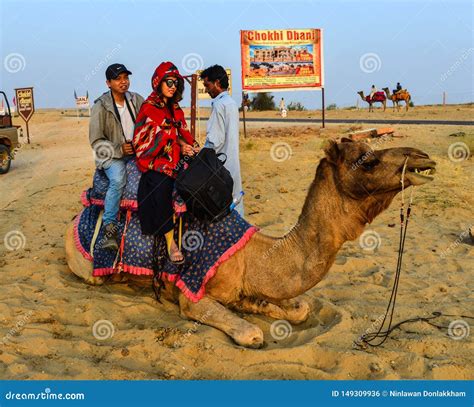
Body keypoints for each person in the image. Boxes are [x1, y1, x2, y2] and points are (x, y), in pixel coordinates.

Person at [133, 61, 199, 264]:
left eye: (176, 83)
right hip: (155, 159)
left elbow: (180, 132)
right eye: (168, 82)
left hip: (177, 156)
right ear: (158, 82)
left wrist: (189, 146)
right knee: (160, 188)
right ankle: (171, 242)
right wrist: (178, 142)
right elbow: (145, 139)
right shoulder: (149, 107)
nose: (172, 86)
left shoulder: (175, 108)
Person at [89, 63, 144, 251]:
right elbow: (96, 142)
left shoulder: (136, 100)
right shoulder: (100, 106)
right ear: (108, 83)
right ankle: (109, 229)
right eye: (118, 79)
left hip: (136, 152)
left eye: (125, 78)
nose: (123, 82)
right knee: (119, 180)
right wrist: (120, 149)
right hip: (113, 157)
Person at [200, 65, 244, 217]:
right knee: (235, 203)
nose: (206, 90)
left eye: (207, 85)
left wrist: (200, 158)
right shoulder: (231, 103)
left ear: (217, 83)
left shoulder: (219, 105)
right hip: (232, 163)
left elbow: (215, 141)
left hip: (220, 164)